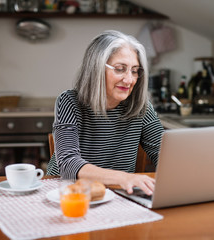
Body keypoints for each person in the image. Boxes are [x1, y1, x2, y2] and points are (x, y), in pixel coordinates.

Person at [47, 30, 164, 195]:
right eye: (120, 69)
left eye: (134, 70)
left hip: (119, 195)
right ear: (96, 68)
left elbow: (164, 156)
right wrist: (124, 178)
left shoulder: (141, 107)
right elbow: (68, 164)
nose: (129, 80)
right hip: (65, 194)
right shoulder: (69, 102)